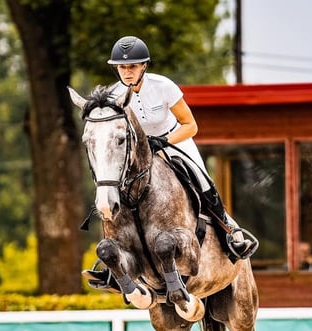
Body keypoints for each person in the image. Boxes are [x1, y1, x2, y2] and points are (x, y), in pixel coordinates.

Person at [84, 36, 255, 292]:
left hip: (174, 141)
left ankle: (230, 231)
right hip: (137, 152)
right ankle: (113, 263)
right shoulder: (114, 95)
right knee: (114, 190)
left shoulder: (164, 87)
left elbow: (191, 126)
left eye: (133, 66)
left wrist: (163, 141)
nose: (127, 72)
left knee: (200, 178)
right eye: (122, 67)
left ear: (144, 66)